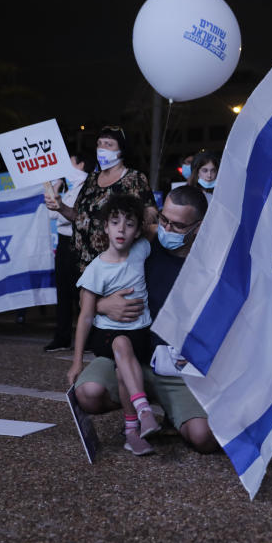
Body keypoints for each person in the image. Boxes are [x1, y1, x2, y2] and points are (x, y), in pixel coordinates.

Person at [72, 186, 217, 453]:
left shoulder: (212, 264)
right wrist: (104, 305)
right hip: (130, 354)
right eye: (163, 220)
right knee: (87, 394)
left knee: (204, 437)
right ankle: (140, 407)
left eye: (177, 225)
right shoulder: (144, 243)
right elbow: (88, 293)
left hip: (179, 368)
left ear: (198, 227)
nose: (166, 229)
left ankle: (170, 412)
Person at [66, 195, 158, 456]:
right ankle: (143, 410)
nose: (121, 229)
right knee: (120, 344)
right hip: (107, 335)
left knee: (122, 370)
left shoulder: (141, 249)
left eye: (129, 224)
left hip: (140, 332)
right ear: (105, 227)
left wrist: (147, 215)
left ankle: (132, 433)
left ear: (137, 230)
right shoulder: (96, 269)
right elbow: (84, 317)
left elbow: (156, 227)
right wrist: (76, 362)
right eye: (115, 222)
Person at [45, 125, 157, 273]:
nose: (101, 148)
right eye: (99, 143)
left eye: (108, 144)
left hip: (116, 267)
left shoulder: (134, 178)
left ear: (121, 151)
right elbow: (78, 216)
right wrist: (61, 206)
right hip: (82, 264)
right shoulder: (91, 179)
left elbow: (151, 214)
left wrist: (133, 248)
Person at [44, 154, 89, 351]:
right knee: (62, 292)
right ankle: (62, 338)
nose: (65, 166)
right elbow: (53, 214)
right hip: (63, 243)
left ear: (81, 164)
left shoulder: (87, 187)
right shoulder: (70, 188)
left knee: (79, 293)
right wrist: (57, 183)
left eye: (69, 162)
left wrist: (63, 211)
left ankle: (86, 339)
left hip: (77, 242)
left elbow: (73, 217)